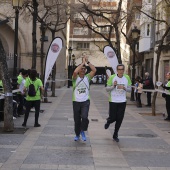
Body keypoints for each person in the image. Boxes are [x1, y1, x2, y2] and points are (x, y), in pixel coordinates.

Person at [104, 64, 131, 142]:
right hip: (113, 100)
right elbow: (107, 89)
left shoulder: (127, 77)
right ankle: (109, 121)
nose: (121, 71)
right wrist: (113, 86)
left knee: (119, 119)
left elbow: (130, 90)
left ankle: (115, 134)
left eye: (122, 69)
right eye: (119, 69)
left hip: (122, 101)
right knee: (113, 117)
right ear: (117, 70)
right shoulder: (112, 77)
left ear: (124, 70)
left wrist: (125, 88)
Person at [72, 56, 96, 141]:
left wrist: (87, 62)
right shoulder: (75, 78)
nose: (82, 70)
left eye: (84, 69)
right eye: (81, 68)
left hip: (85, 101)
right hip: (76, 101)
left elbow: (94, 70)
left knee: (85, 117)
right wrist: (82, 63)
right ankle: (77, 134)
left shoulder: (87, 77)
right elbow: (75, 71)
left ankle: (82, 130)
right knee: (77, 120)